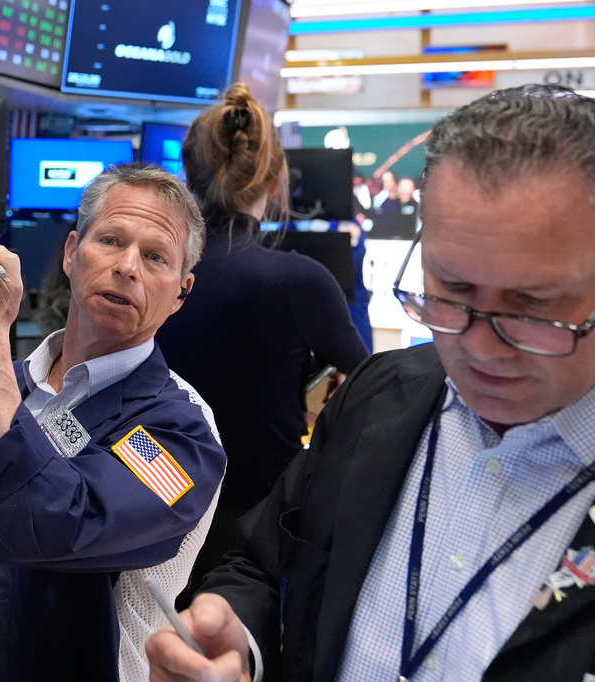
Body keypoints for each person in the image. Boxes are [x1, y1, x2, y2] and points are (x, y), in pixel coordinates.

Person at [146, 83, 595, 682]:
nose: (479, 348)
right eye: (451, 290)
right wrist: (241, 637)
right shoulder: (380, 394)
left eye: (533, 306)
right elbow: (265, 566)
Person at [0, 163, 227, 682]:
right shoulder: (8, 380)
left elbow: (51, 526)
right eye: (111, 240)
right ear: (71, 252)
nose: (128, 266)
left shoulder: (179, 431)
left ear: (181, 292)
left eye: (156, 257)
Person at [155, 82, 370, 607]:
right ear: (275, 181)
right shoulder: (299, 281)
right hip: (259, 527)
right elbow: (375, 385)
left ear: (187, 176)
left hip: (151, 509)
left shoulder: (151, 271)